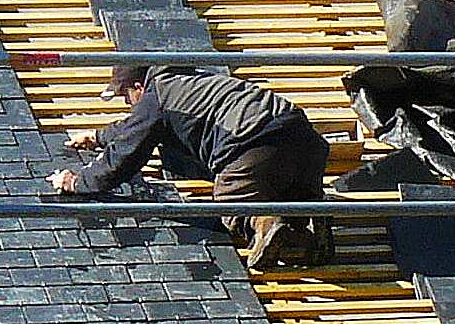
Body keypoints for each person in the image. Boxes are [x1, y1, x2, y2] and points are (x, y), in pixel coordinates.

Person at [48, 64, 333, 269]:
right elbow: (135, 127)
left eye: (126, 96)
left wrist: (77, 182)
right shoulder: (188, 81)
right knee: (287, 192)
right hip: (304, 139)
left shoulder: (156, 95)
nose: (127, 104)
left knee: (231, 199)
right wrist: (98, 137)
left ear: (138, 87)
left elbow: (125, 155)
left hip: (256, 142)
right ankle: (310, 220)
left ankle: (267, 225)